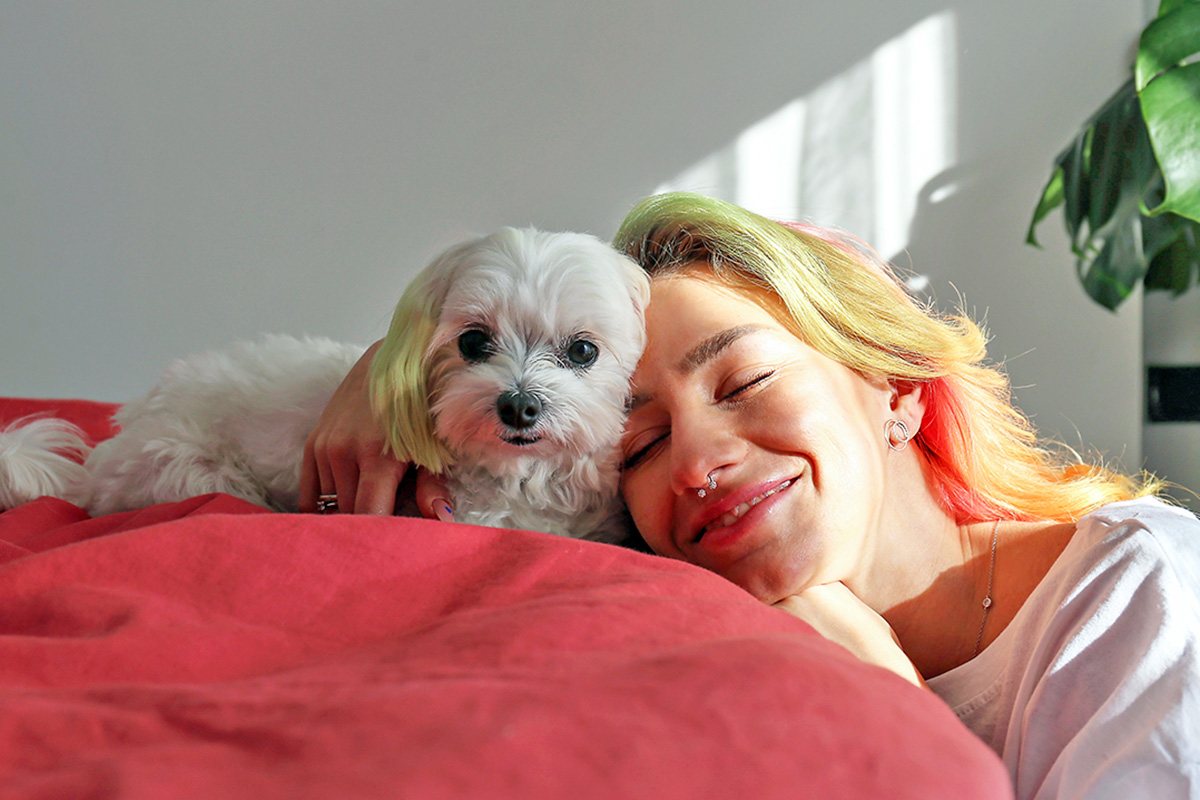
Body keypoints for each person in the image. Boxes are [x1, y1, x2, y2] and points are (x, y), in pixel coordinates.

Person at [300, 192, 1200, 799]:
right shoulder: (700, 637)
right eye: (642, 441)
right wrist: (381, 370)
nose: (697, 464)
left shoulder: (1139, 589)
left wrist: (895, 704)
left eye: (743, 384)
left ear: (897, 387)